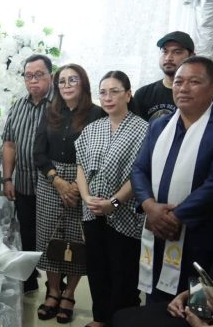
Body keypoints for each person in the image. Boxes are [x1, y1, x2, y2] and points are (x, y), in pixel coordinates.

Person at [132, 56, 213, 303]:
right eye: (178, 82)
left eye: (194, 82)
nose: (183, 88)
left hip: (202, 235)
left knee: (196, 306)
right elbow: (139, 170)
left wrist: (174, 216)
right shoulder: (159, 126)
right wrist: (150, 207)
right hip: (158, 231)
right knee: (156, 305)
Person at [113, 155, 213, 326]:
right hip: (204, 311)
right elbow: (212, 281)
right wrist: (184, 297)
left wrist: (200, 324)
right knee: (122, 317)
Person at [75, 70, 148, 327]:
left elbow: (140, 174)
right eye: (103, 92)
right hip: (92, 210)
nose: (107, 97)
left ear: (128, 95)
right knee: (97, 268)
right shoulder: (93, 128)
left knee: (123, 271)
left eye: (114, 91)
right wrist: (86, 197)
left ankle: (121, 320)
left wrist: (113, 203)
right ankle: (100, 317)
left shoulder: (144, 130)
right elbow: (81, 167)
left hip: (124, 213)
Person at [33, 63, 104, 323]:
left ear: (83, 83)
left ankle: (69, 294)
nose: (66, 85)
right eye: (62, 81)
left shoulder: (96, 113)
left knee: (77, 240)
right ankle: (53, 291)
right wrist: (58, 182)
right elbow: (38, 152)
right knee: (49, 238)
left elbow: (98, 152)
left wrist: (76, 185)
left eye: (72, 80)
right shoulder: (50, 112)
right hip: (51, 181)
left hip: (84, 182)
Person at [1, 54, 54, 293]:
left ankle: (56, 287)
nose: (33, 80)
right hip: (23, 183)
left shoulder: (60, 106)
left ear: (51, 76)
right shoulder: (18, 106)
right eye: (28, 76)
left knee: (53, 235)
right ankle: (30, 279)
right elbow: (9, 144)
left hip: (52, 186)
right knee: (26, 232)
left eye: (39, 75)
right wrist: (7, 178)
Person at [133, 31, 195, 122]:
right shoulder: (143, 94)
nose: (168, 58)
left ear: (191, 57)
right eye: (164, 52)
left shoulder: (200, 94)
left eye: (177, 52)